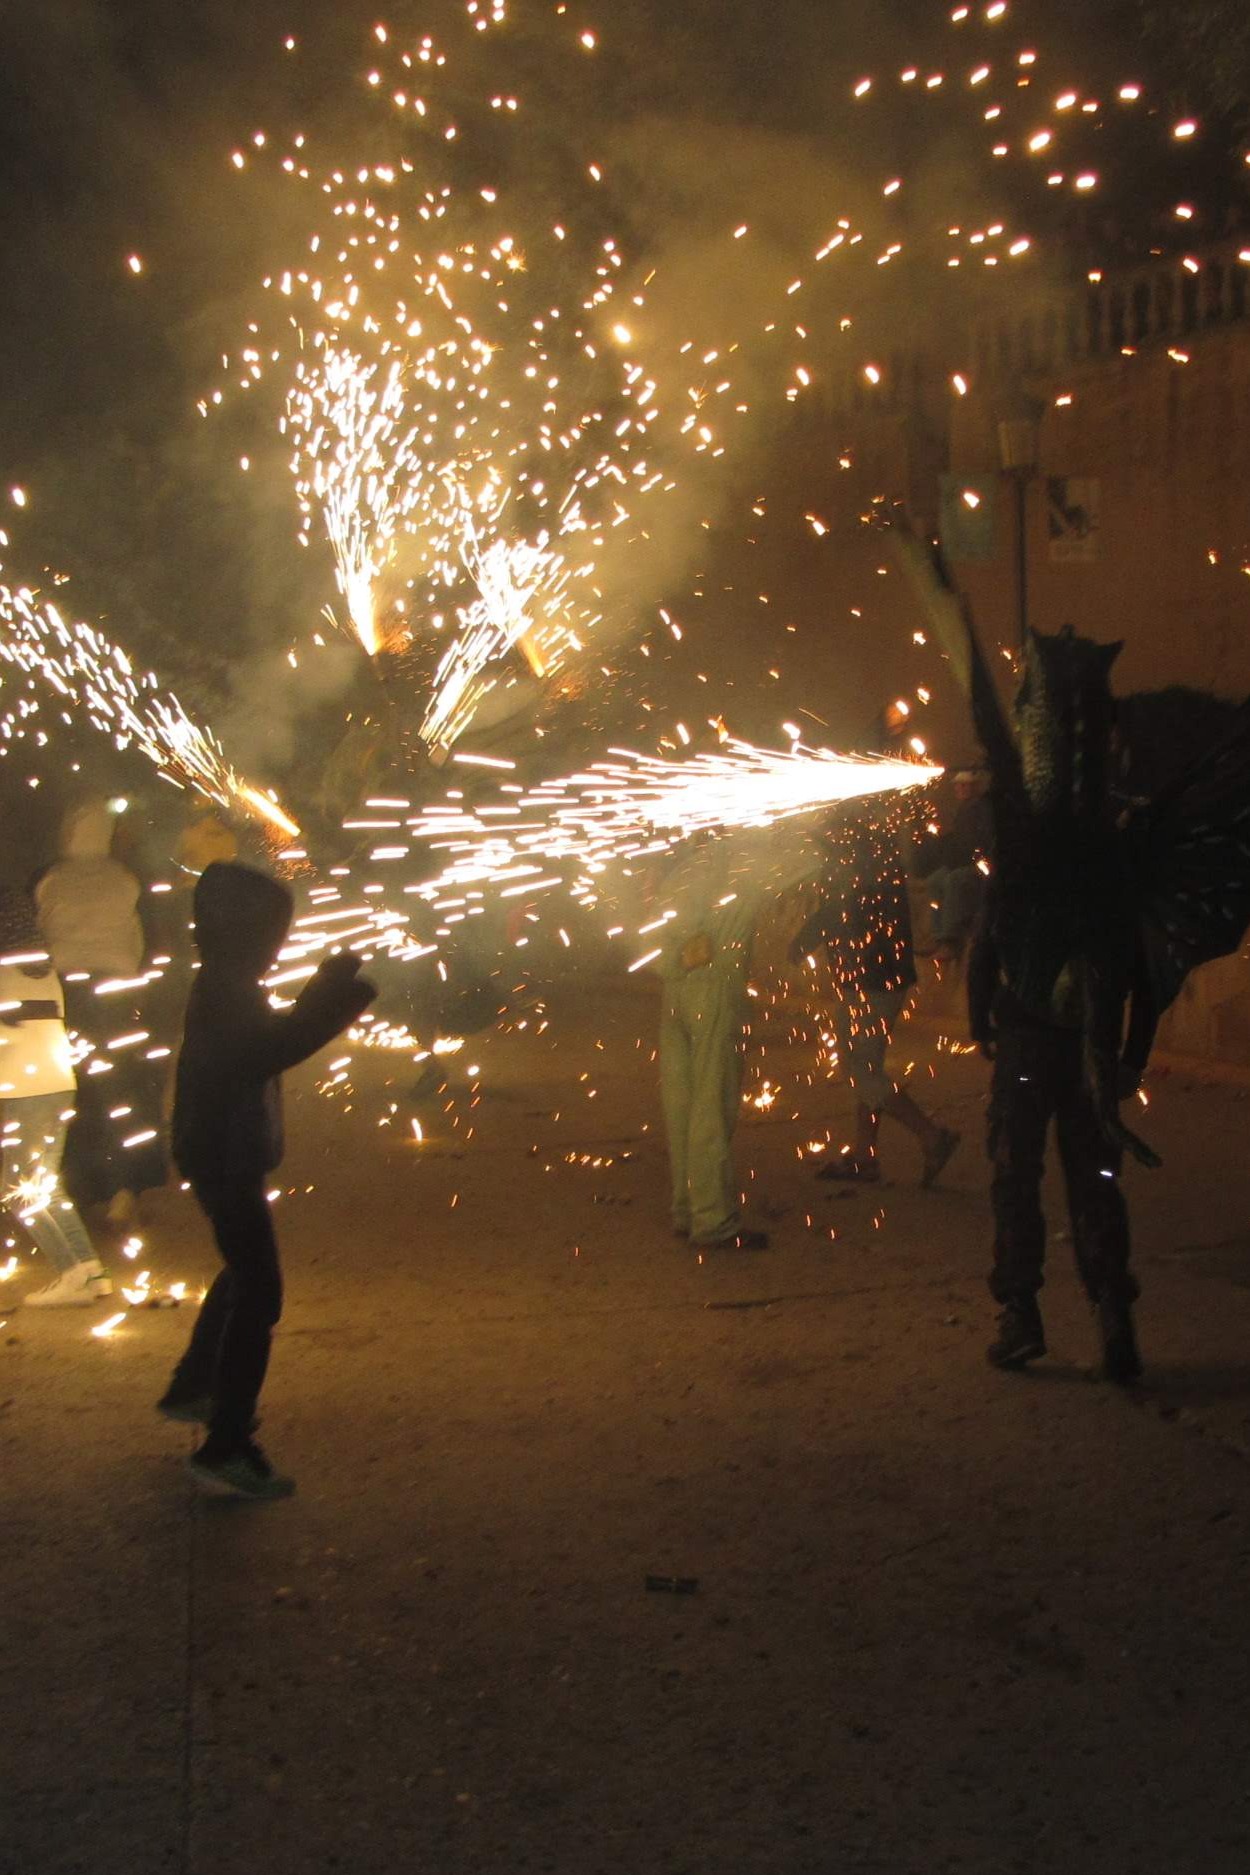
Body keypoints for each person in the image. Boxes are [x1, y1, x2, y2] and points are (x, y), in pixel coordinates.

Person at [156, 862, 376, 1500]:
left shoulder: (227, 980)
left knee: (240, 1270)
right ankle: (225, 1446)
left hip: (218, 1153)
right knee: (260, 1290)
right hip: (224, 1157)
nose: (281, 943)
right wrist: (336, 1000)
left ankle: (195, 1385)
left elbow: (268, 1039)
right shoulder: (230, 990)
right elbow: (270, 1051)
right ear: (247, 933)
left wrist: (325, 985)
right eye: (275, 933)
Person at [968, 881, 1141, 1379]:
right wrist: (1133, 1055)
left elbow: (984, 950)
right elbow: (1140, 972)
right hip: (1091, 1047)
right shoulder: (1110, 869)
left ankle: (1020, 1314)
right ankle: (1113, 1316)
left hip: (1025, 1045)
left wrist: (981, 1023)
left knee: (1015, 1176)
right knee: (1097, 1180)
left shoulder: (1022, 863)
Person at [656, 827, 818, 1251]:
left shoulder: (684, 865)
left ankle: (686, 1209)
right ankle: (714, 1222)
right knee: (712, 1105)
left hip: (674, 990)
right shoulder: (743, 862)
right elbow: (809, 859)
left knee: (683, 1105)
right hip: (712, 991)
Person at [791, 812, 960, 1186]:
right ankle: (865, 1157)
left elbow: (837, 913)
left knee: (862, 1071)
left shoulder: (857, 863)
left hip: (872, 980)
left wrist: (803, 941)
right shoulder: (869, 856)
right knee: (863, 1065)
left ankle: (932, 1135)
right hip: (874, 977)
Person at [34, 798, 164, 1222]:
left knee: (74, 1088)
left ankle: (78, 1182)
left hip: (67, 993)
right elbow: (142, 939)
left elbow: (38, 937)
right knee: (120, 1089)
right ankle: (125, 1184)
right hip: (117, 993)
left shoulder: (52, 879)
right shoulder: (124, 879)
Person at [0, 883, 113, 1306]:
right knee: (42, 1186)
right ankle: (90, 1271)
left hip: (24, 1088)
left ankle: (73, 1275)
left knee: (19, 1188)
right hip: (56, 1083)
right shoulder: (45, 971)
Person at [917, 770, 992, 960]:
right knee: (935, 880)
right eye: (959, 785)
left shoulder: (982, 809)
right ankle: (937, 937)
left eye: (965, 785)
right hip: (961, 863)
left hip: (976, 867)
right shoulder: (962, 810)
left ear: (973, 788)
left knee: (953, 880)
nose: (961, 788)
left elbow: (980, 842)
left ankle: (949, 941)